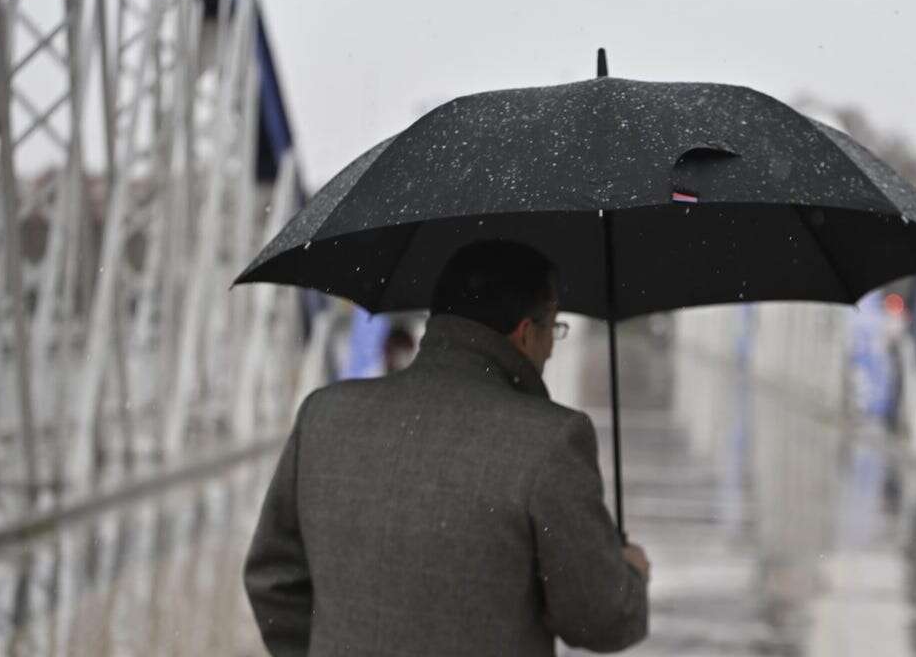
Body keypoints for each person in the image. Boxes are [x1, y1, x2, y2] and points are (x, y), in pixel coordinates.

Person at [244, 239, 650, 656]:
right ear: (526, 333)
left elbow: (273, 580)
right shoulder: (550, 441)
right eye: (553, 328)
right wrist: (629, 574)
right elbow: (599, 620)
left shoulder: (324, 416)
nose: (551, 345)